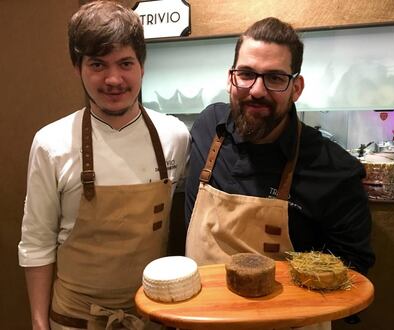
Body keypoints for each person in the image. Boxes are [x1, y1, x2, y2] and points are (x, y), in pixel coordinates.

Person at [185, 17, 375, 330]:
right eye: (246, 74)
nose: (256, 90)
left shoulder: (333, 169)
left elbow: (353, 271)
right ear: (230, 78)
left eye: (274, 78)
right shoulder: (208, 128)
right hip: (205, 319)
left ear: (296, 88)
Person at [18, 1, 190, 329]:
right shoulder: (50, 143)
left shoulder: (174, 136)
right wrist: (39, 324)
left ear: (142, 65)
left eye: (125, 63)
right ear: (77, 68)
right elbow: (36, 243)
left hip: (152, 316)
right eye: (98, 64)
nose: (114, 79)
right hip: (74, 319)